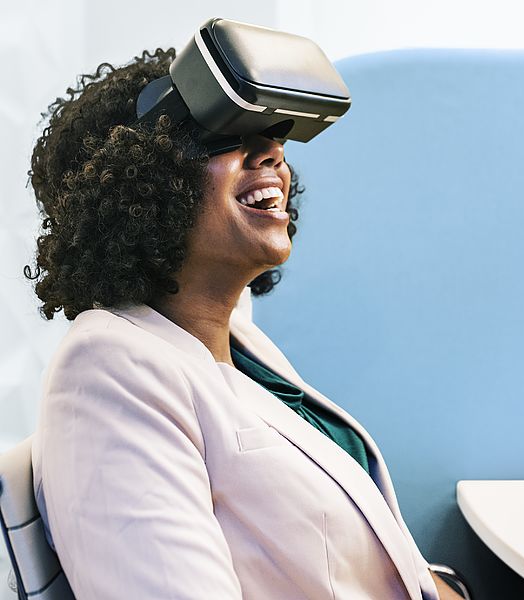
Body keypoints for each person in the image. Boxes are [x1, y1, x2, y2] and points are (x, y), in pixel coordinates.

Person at [27, 48, 462, 599]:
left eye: (270, 134)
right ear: (140, 184)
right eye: (223, 135)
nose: (272, 153)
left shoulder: (241, 344)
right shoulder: (108, 369)